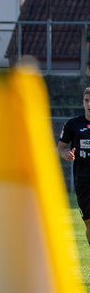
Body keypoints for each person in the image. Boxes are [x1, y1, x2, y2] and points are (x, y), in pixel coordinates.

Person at [57, 86, 90, 246]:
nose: (89, 104)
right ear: (83, 102)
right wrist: (66, 155)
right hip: (83, 181)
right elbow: (60, 148)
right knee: (89, 224)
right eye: (86, 100)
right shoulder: (73, 124)